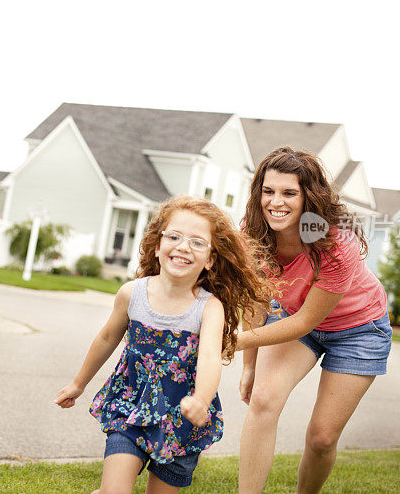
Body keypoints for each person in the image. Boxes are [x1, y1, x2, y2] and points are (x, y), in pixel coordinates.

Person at [54, 195, 272, 493]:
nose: (183, 246)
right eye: (174, 236)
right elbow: (106, 337)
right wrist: (79, 384)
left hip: (181, 421)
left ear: (210, 259)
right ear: (157, 246)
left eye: (197, 242)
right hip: (130, 407)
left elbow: (209, 358)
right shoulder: (132, 294)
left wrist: (201, 400)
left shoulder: (209, 308)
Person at [236, 146, 392, 494]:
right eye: (268, 191)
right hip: (295, 319)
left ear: (310, 197)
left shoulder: (335, 243)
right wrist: (249, 364)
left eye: (289, 193)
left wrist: (236, 341)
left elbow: (307, 321)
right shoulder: (254, 230)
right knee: (262, 398)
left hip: (359, 330)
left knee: (321, 438)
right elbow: (256, 297)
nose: (276, 202)